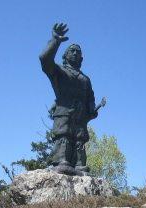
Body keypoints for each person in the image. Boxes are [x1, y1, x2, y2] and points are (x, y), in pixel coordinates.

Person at [39, 23, 103, 174]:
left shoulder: (85, 79)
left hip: (80, 116)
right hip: (64, 111)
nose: (75, 53)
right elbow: (44, 59)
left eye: (78, 52)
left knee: (80, 140)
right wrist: (55, 41)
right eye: (72, 51)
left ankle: (80, 164)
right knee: (64, 136)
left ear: (81, 58)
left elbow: (90, 98)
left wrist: (91, 108)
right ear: (65, 56)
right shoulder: (59, 71)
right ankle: (62, 161)